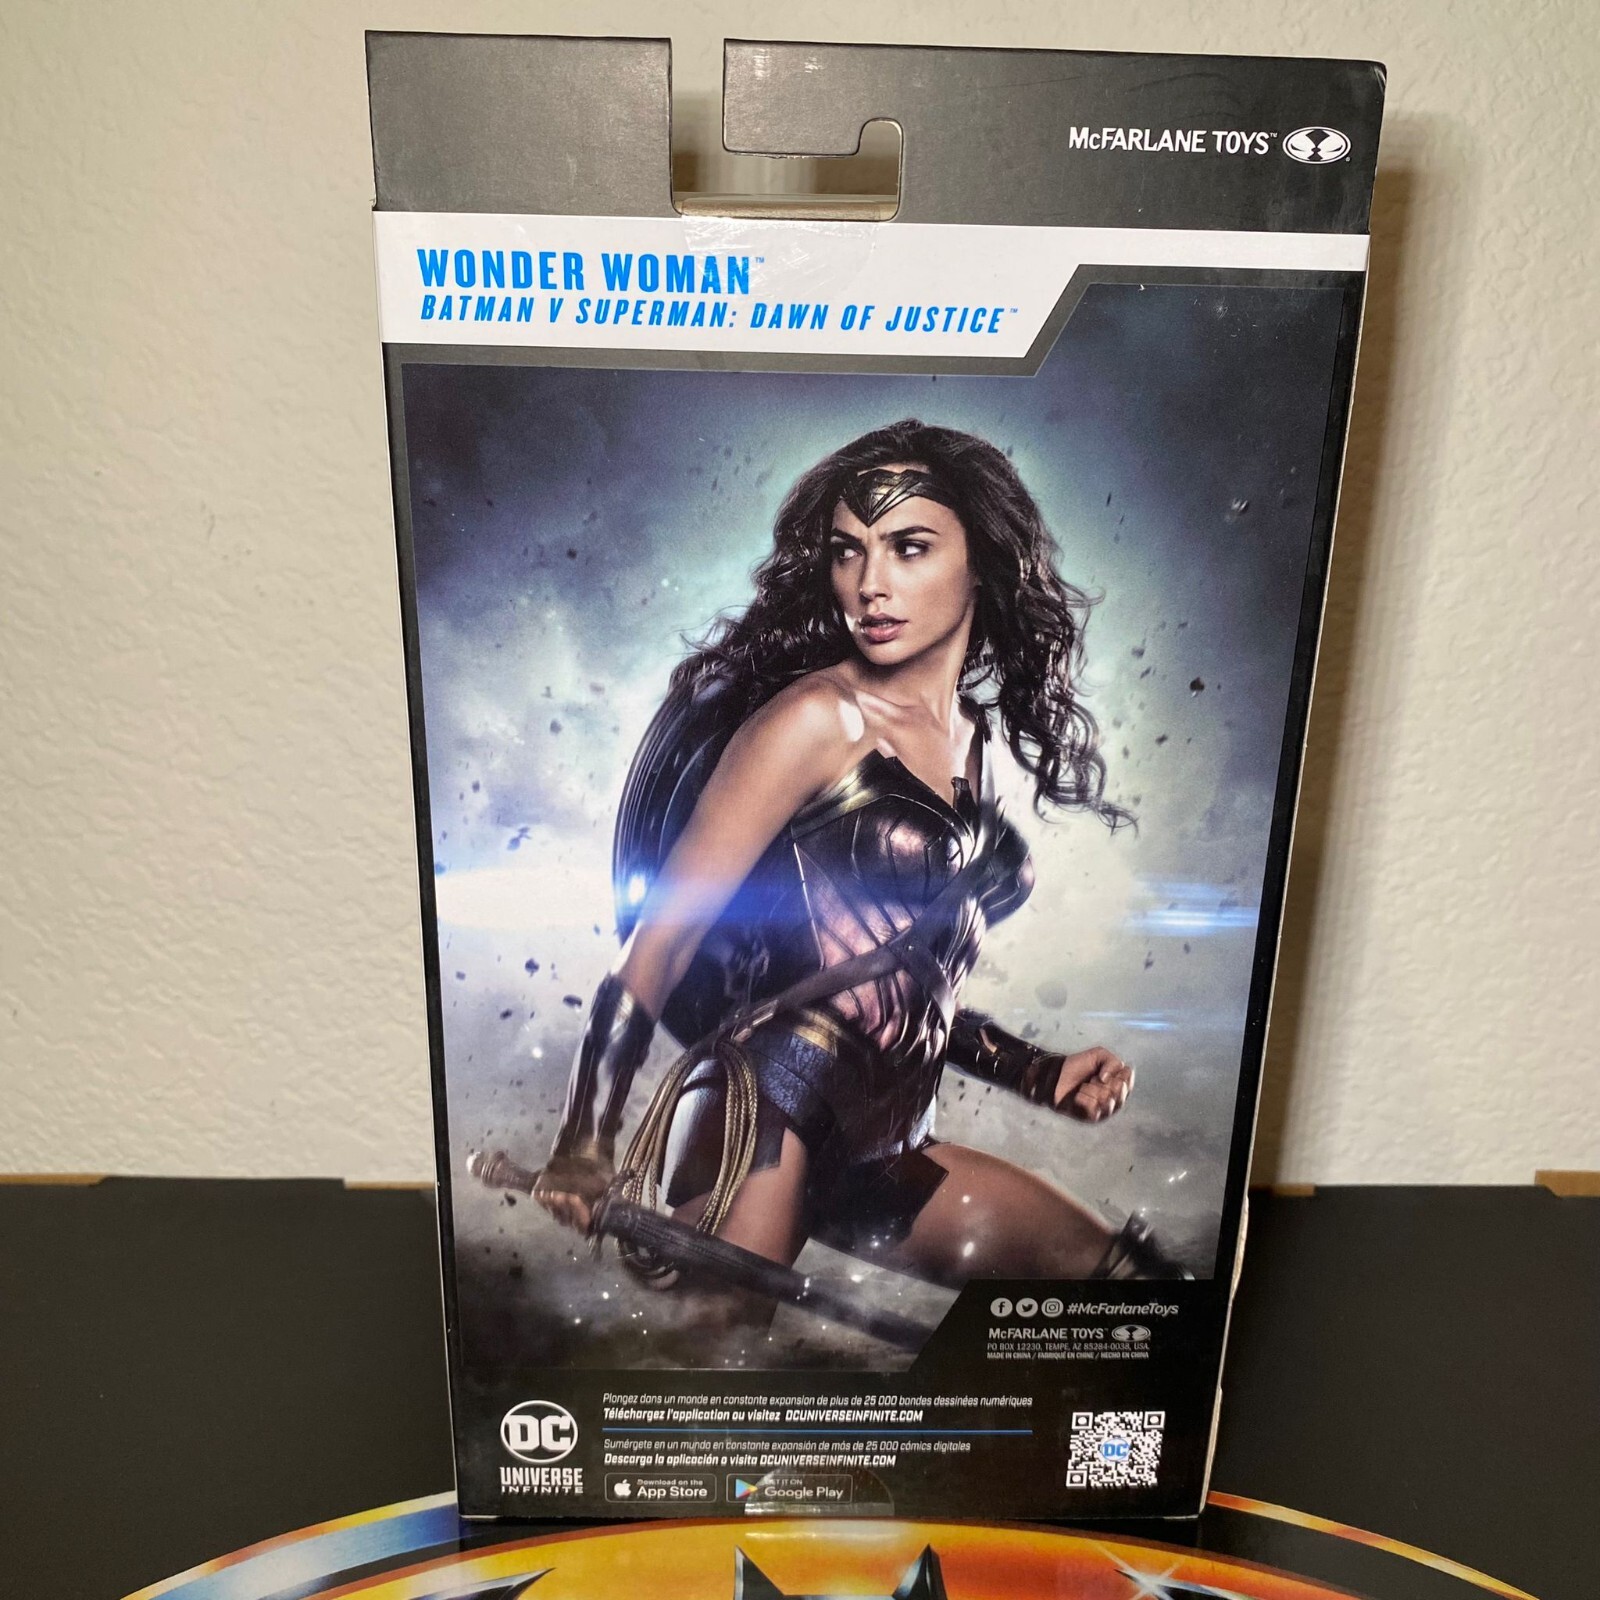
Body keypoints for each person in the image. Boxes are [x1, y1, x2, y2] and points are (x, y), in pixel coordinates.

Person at [532, 419, 1187, 1303]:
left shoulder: (972, 743)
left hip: (882, 1138)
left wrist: (1036, 1070)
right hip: (766, 1114)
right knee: (713, 1370)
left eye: (908, 548)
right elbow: (661, 944)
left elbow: (896, 979)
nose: (870, 584)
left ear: (983, 562)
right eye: (849, 552)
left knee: (1126, 1290)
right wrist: (584, 1143)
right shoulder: (816, 720)